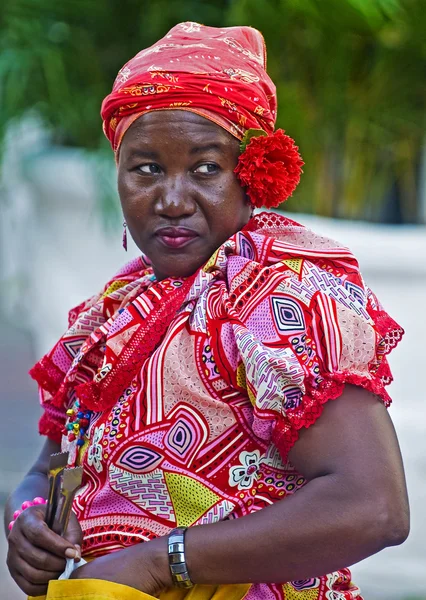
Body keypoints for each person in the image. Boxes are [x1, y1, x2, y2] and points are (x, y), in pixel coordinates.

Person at [5, 21, 409, 600]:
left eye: (204, 169)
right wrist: (28, 517)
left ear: (252, 174)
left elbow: (374, 507)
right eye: (146, 168)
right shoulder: (120, 305)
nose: (171, 200)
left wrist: (159, 562)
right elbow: (48, 464)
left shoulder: (278, 297)